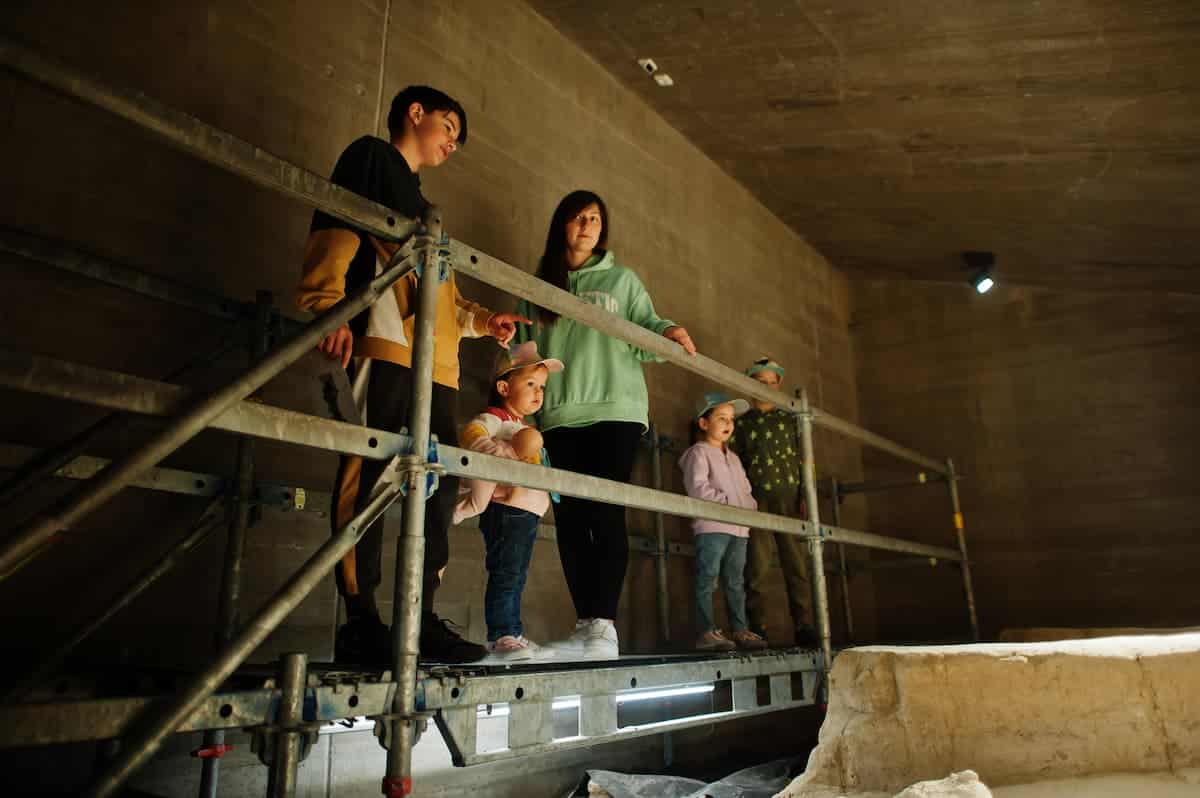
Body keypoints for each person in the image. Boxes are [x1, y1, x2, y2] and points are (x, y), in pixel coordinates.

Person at [296, 86, 529, 664]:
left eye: (459, 138)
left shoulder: (425, 210)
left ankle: (420, 618)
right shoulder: (372, 158)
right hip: (387, 346)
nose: (454, 141)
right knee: (371, 476)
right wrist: (330, 305)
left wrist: (481, 321)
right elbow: (336, 227)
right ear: (415, 113)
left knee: (438, 489)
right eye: (449, 126)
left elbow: (441, 292)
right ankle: (361, 622)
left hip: (438, 369)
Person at [514, 190, 696, 659]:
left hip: (616, 412)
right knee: (571, 518)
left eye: (595, 218)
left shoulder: (621, 279)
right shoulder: (540, 283)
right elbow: (526, 351)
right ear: (562, 225)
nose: (588, 225)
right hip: (559, 414)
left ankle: (605, 625)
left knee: (605, 511)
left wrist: (670, 333)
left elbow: (647, 326)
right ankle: (586, 623)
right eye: (579, 217)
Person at [453, 341, 564, 662]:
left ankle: (511, 632)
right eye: (530, 383)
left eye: (541, 386)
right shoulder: (496, 418)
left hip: (526, 511)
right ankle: (502, 636)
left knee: (515, 573)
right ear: (504, 386)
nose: (538, 392)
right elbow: (472, 434)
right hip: (507, 509)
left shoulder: (522, 427)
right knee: (507, 572)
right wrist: (503, 455)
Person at [729, 358, 818, 648]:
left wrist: (806, 496)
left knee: (797, 567)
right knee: (755, 567)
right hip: (756, 504)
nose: (765, 388)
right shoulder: (742, 424)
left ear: (778, 385)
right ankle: (759, 627)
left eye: (770, 383)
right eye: (758, 382)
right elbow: (734, 463)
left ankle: (804, 625)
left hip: (789, 501)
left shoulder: (790, 419)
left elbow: (805, 460)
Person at [680, 393, 769, 651]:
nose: (728, 423)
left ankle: (740, 630)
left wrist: (747, 508)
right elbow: (698, 489)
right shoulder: (698, 453)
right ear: (704, 423)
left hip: (739, 528)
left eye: (731, 419)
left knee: (735, 581)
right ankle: (706, 632)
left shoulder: (734, 457)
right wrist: (732, 504)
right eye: (721, 418)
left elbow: (747, 490)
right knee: (707, 577)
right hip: (713, 526)